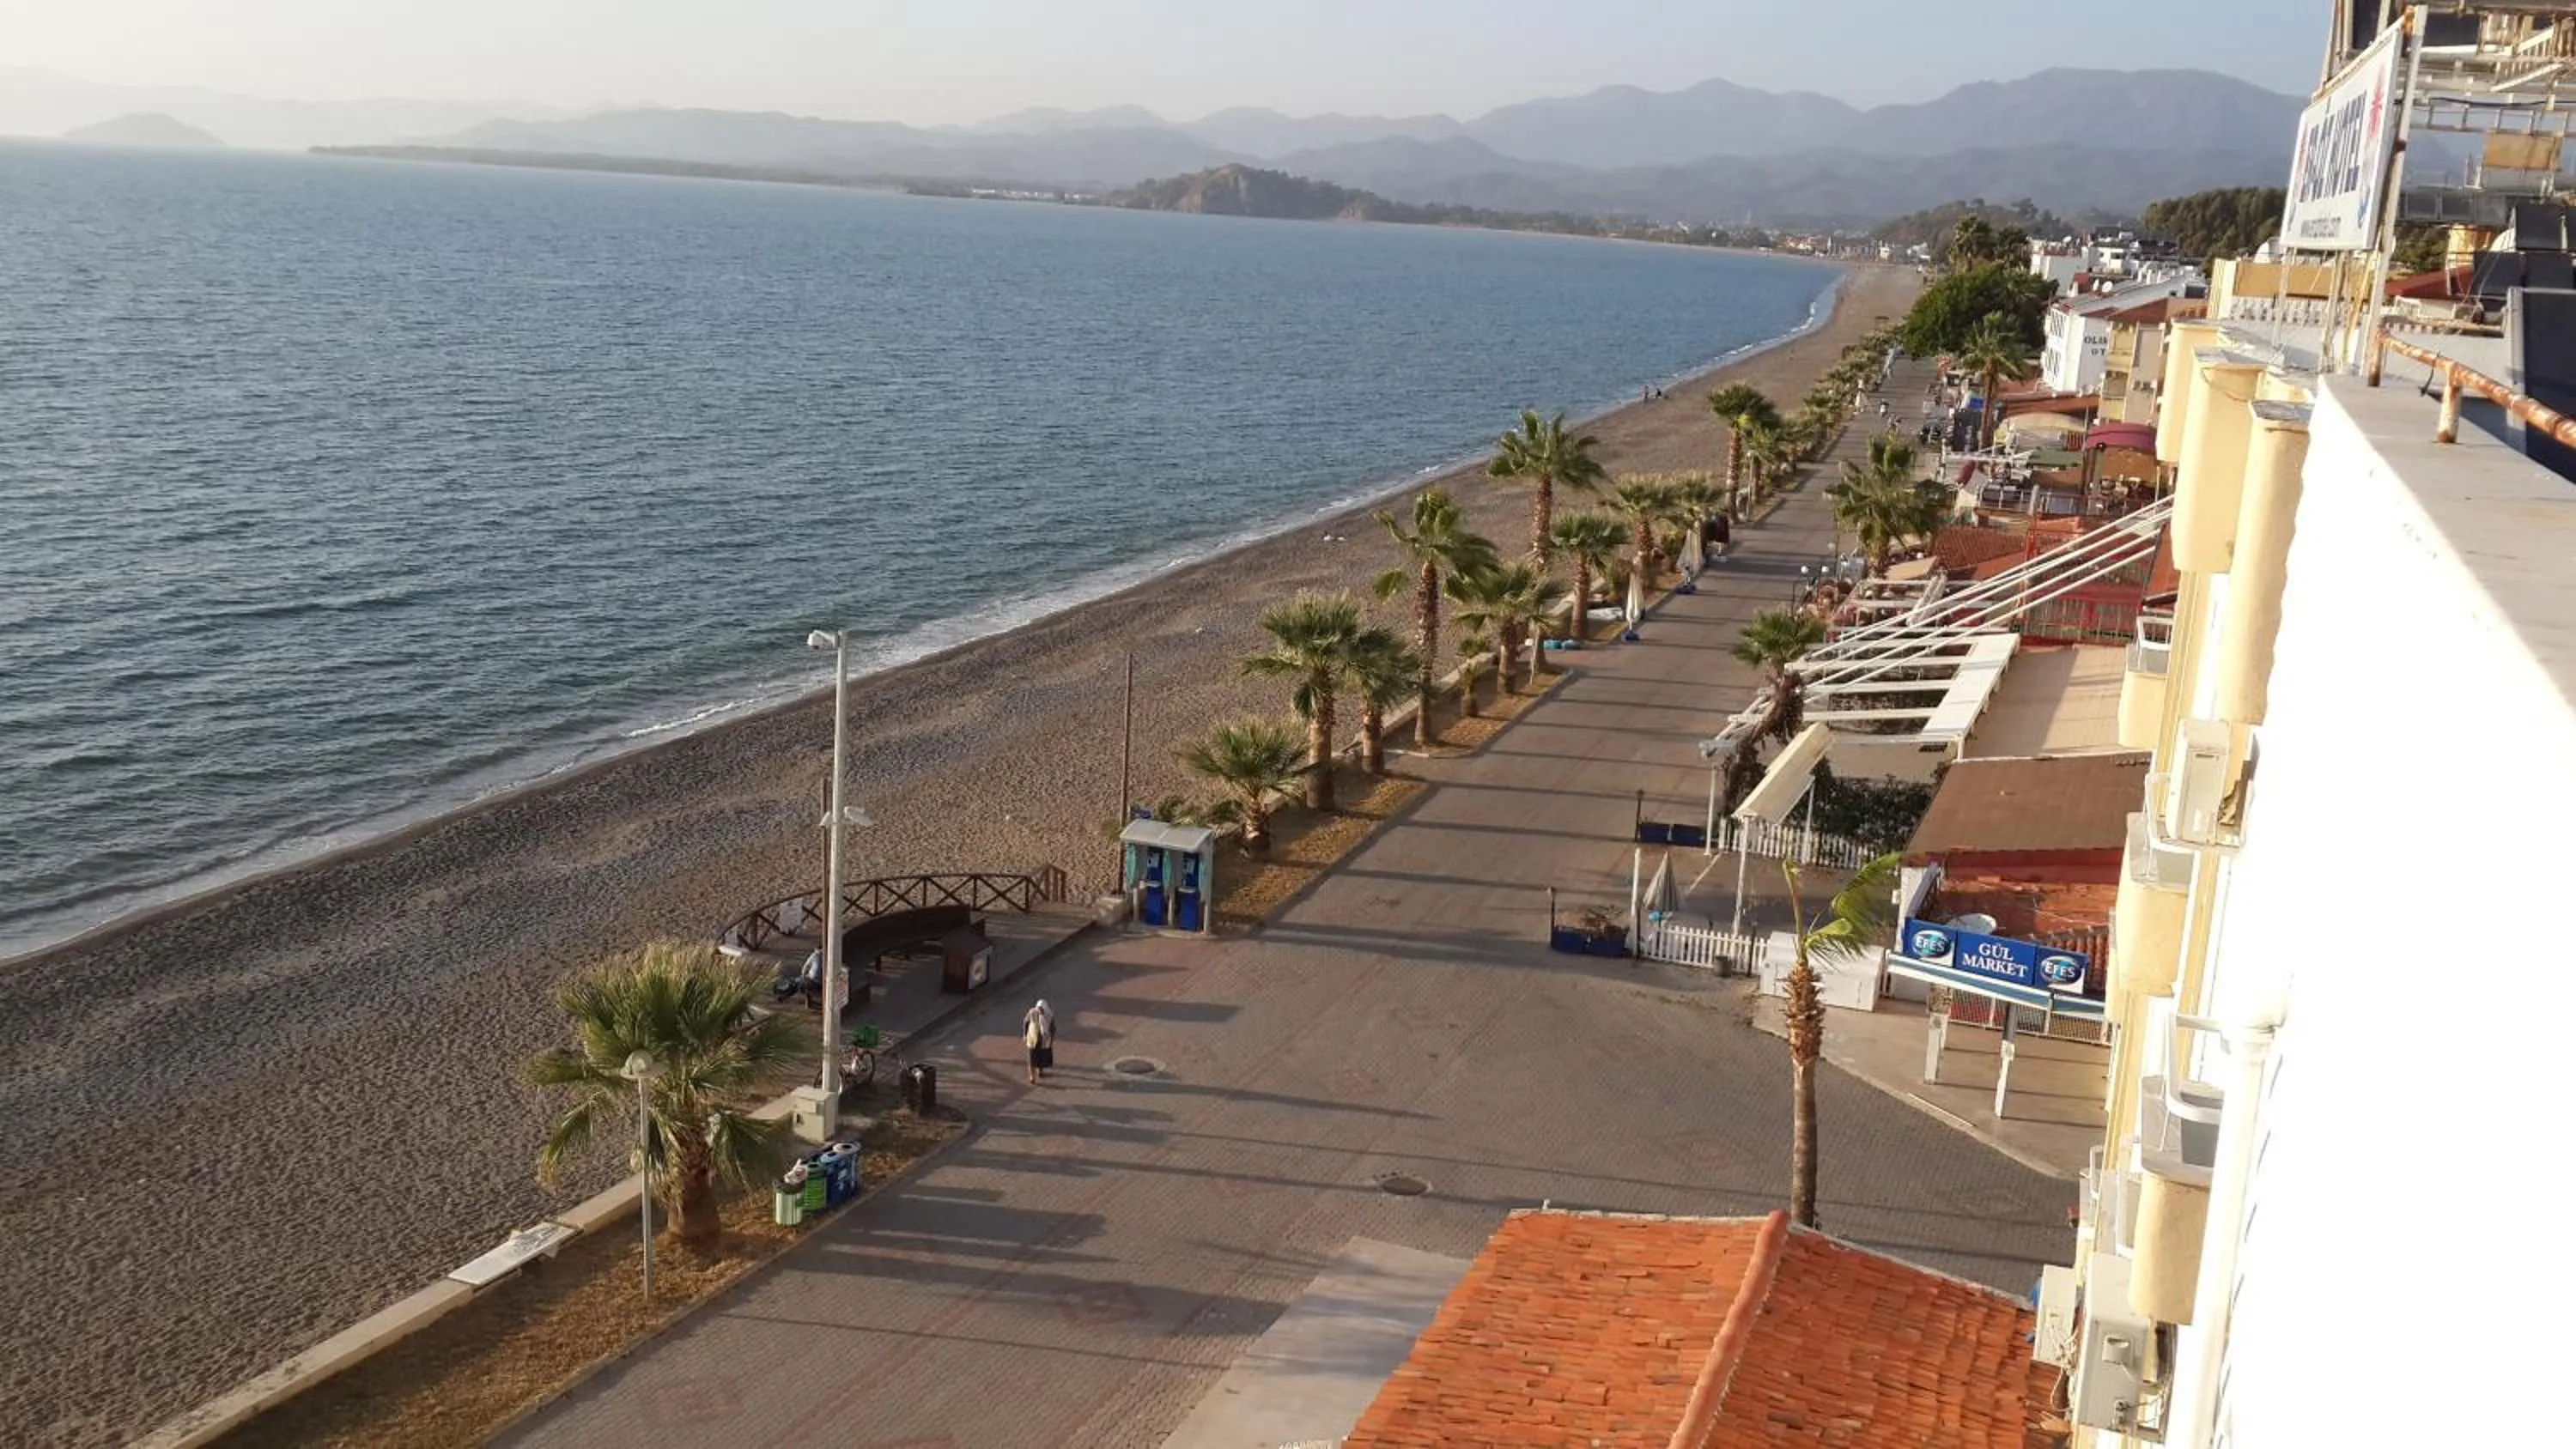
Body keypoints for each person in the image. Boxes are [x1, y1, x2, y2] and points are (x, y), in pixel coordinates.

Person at [1023, 999, 1055, 1084]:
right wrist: (1025, 1035)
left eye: (1042, 1009)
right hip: (1032, 1038)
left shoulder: (1049, 1016)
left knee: (1041, 1056)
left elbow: (1053, 1029)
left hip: (1043, 1039)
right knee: (1031, 1058)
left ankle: (1040, 1071)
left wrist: (1051, 1040)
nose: (1040, 1010)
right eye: (1039, 1008)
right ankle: (1032, 1077)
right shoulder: (1032, 1012)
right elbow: (1026, 1022)